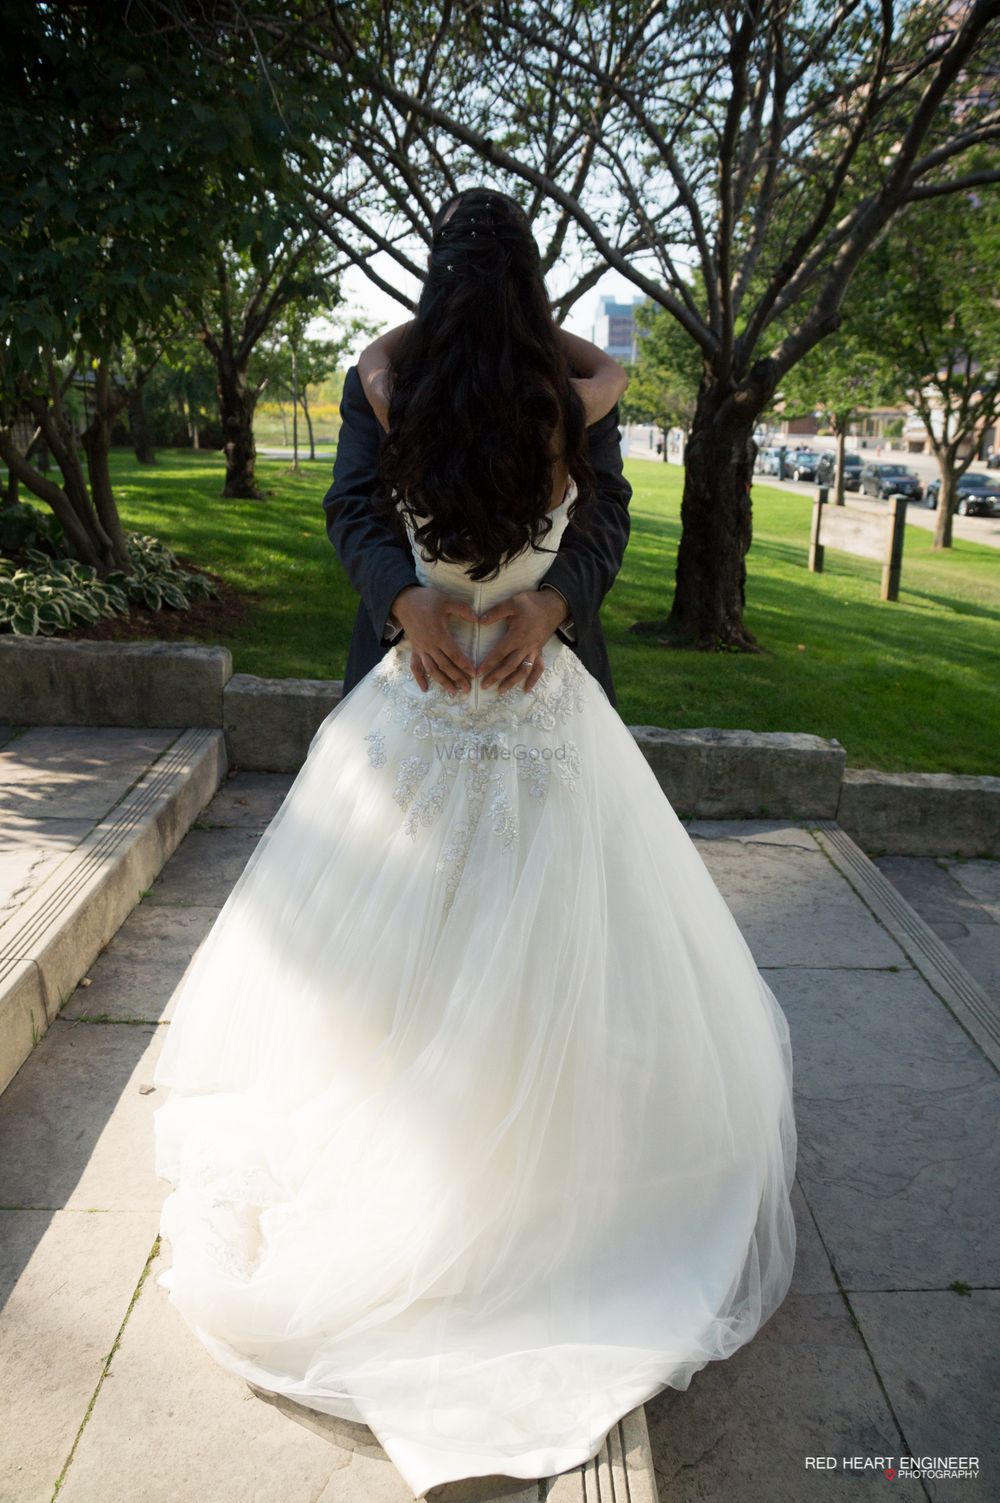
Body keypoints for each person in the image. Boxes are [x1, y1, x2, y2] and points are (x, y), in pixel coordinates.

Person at [151, 186, 797, 1500]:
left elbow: (604, 524)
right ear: (530, 291)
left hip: (524, 689)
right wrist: (404, 601)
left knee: (537, 939)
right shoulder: (545, 389)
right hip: (428, 687)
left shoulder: (425, 378)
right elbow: (352, 511)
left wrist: (558, 600)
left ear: (437, 287)